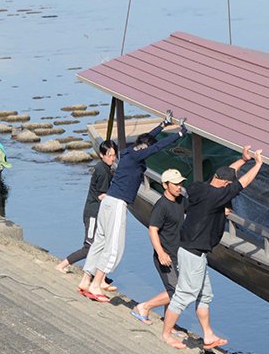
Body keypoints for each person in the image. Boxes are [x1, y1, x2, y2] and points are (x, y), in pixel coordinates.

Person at [161, 146, 263, 350]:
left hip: (194, 251)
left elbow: (227, 175)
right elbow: (242, 183)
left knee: (204, 295)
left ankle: (208, 335)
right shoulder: (217, 196)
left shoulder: (200, 187)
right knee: (184, 294)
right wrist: (258, 164)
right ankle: (166, 334)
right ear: (225, 184)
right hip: (192, 251)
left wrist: (243, 160)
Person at [77, 120, 187, 302]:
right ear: (144, 148)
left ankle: (85, 280)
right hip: (117, 204)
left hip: (108, 202)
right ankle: (96, 285)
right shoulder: (138, 155)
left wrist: (162, 125)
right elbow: (156, 146)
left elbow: (147, 139)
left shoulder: (128, 152)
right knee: (114, 247)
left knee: (99, 243)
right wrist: (180, 134)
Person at [55, 139, 119, 292]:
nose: (113, 158)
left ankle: (101, 278)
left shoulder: (105, 168)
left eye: (114, 155)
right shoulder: (102, 171)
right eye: (110, 155)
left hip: (98, 213)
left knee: (101, 245)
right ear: (102, 155)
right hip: (93, 213)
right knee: (90, 246)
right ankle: (62, 265)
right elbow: (102, 195)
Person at [131, 168, 187, 325]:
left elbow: (197, 209)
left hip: (178, 253)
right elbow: (153, 229)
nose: (179, 187)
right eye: (175, 184)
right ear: (165, 185)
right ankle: (144, 307)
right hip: (165, 256)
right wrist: (161, 253)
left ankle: (169, 323)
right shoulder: (161, 206)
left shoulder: (181, 200)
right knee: (176, 291)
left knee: (174, 289)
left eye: (180, 184)